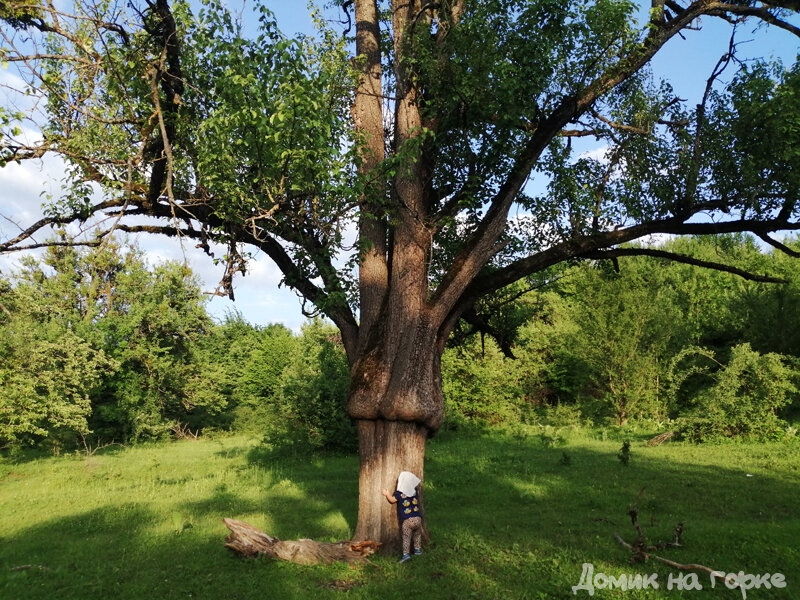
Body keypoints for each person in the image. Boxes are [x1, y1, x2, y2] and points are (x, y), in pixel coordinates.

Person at [381, 470, 423, 563]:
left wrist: (387, 494)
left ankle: (406, 555)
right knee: (417, 535)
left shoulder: (399, 493)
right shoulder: (414, 492)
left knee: (406, 537)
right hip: (418, 518)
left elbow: (392, 500)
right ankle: (418, 550)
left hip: (407, 520)